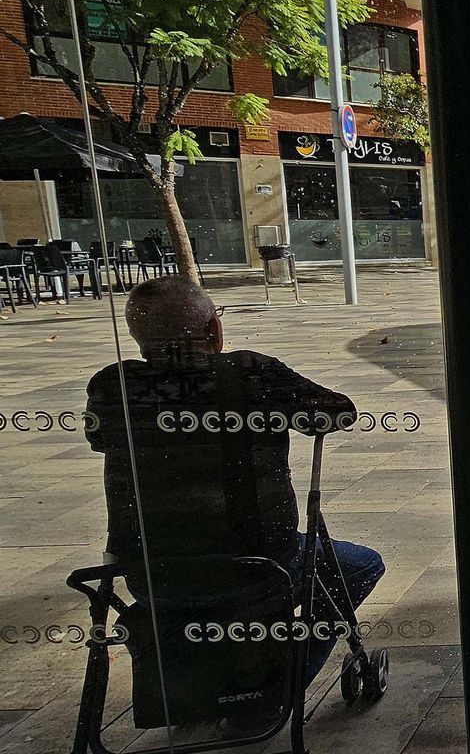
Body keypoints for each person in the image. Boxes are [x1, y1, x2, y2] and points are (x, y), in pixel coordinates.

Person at [85, 276, 384, 684]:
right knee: (362, 566)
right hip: (257, 566)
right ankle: (283, 682)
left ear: (137, 338)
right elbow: (338, 412)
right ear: (213, 329)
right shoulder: (249, 373)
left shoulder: (109, 386)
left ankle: (217, 681)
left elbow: (99, 439)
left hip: (150, 574)